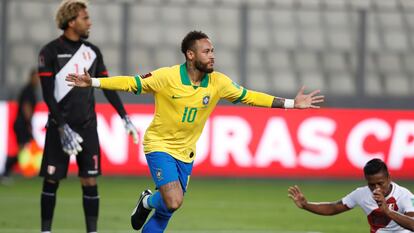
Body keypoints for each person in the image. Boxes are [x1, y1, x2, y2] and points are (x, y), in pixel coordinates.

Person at [66, 30, 325, 233]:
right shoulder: (166, 77)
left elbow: (250, 97)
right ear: (190, 55)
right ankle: (146, 201)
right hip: (159, 145)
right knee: (174, 200)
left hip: (186, 153)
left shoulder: (218, 82)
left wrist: (292, 104)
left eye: (213, 51)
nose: (212, 56)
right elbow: (131, 83)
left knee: (168, 210)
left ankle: (148, 201)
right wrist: (94, 82)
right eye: (206, 51)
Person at [37, 1, 138, 233]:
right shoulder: (49, 51)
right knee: (51, 180)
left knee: (90, 181)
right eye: (85, 18)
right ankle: (45, 231)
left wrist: (124, 117)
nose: (89, 21)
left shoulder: (92, 52)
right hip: (59, 128)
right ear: (71, 21)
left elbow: (107, 86)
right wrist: (62, 127)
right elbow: (47, 94)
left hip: (87, 126)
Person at [288, 158, 414, 233]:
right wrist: (306, 205)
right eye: (372, 184)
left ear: (389, 178)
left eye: (381, 183)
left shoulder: (404, 196)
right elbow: (333, 207)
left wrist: (387, 211)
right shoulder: (361, 193)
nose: (376, 188)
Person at [0, 68, 39, 184]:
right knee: (22, 148)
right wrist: (29, 123)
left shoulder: (30, 89)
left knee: (24, 148)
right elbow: (26, 107)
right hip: (22, 124)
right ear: (31, 77)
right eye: (36, 77)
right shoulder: (28, 90)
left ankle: (16, 171)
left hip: (22, 123)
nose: (37, 80)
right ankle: (6, 172)